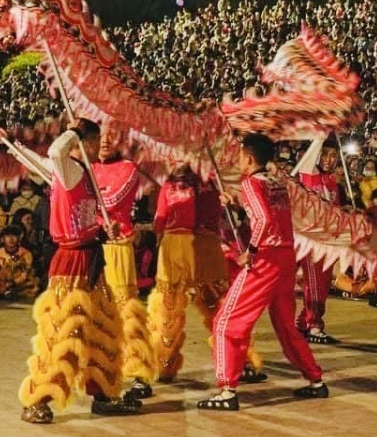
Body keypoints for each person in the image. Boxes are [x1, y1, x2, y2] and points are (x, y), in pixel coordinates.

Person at [0, 119, 137, 424]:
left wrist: (11, 143)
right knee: (65, 331)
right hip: (71, 261)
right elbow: (56, 153)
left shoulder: (79, 173)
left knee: (101, 328)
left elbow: (40, 162)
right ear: (85, 144)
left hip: (90, 258)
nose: (100, 149)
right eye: (95, 143)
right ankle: (38, 400)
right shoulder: (71, 168)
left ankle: (103, 393)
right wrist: (74, 130)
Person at [201, 134, 330, 411]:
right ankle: (315, 380)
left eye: (240, 155)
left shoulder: (250, 183)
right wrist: (236, 205)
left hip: (267, 260)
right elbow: (266, 214)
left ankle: (226, 389)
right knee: (285, 324)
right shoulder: (276, 182)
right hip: (285, 257)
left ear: (248, 157)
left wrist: (252, 250)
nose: (238, 160)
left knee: (226, 320)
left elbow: (262, 220)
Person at [147, 163, 263, 383]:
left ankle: (241, 361)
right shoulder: (168, 185)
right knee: (168, 310)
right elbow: (160, 221)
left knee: (219, 305)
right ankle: (164, 363)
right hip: (174, 248)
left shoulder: (214, 181)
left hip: (206, 245)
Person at [87, 135, 156, 398]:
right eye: (100, 136)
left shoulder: (128, 168)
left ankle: (139, 372)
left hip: (117, 246)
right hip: (92, 244)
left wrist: (86, 198)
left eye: (111, 136)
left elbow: (112, 201)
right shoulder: (88, 168)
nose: (104, 142)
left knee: (125, 309)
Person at [291, 133, 344, 345]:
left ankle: (304, 323)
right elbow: (312, 154)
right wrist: (323, 133)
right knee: (314, 284)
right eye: (326, 155)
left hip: (328, 240)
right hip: (311, 241)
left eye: (334, 156)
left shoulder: (333, 183)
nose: (330, 160)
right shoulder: (308, 175)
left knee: (322, 285)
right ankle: (314, 325)